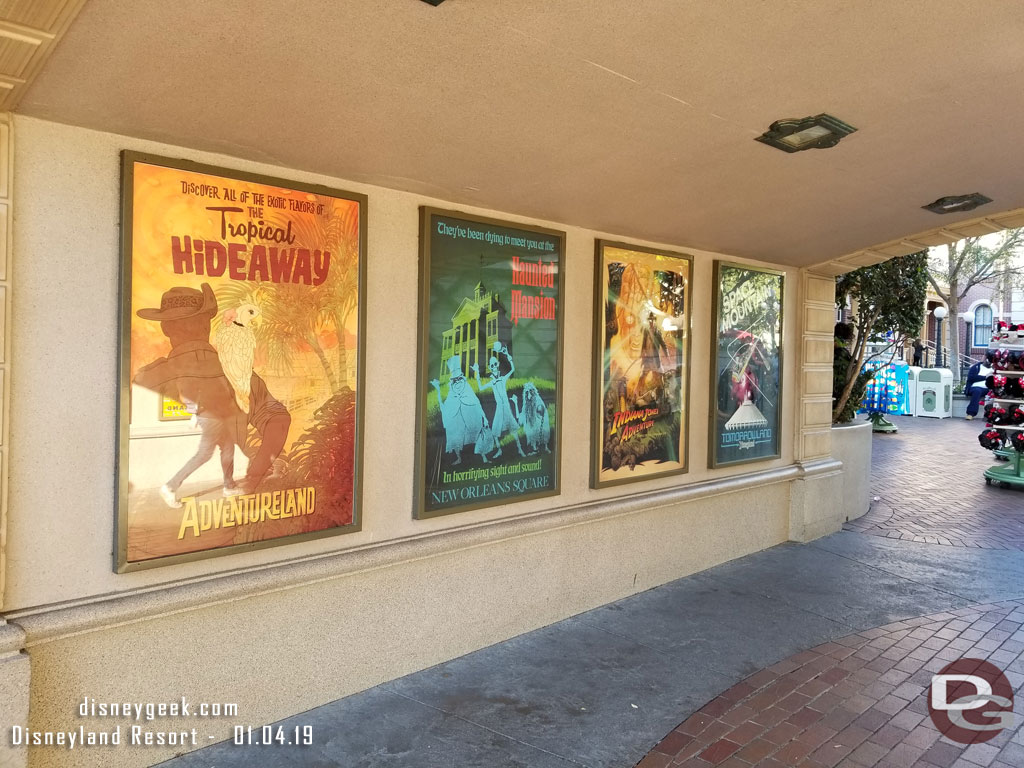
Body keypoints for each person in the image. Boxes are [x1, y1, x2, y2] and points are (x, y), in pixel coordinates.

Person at [133, 283, 246, 507]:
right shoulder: (200, 359)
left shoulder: (167, 367)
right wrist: (195, 410)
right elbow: (195, 385)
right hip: (212, 414)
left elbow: (216, 384)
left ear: (166, 328)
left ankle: (228, 485)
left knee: (227, 448)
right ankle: (170, 486)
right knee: (205, 454)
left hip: (218, 412)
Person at [473, 344, 525, 459]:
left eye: (495, 364)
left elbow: (513, 369)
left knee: (513, 429)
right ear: (490, 367)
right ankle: (499, 450)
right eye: (492, 365)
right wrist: (476, 373)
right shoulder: (492, 381)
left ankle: (520, 449)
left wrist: (507, 355)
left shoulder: (503, 378)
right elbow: (481, 388)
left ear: (498, 365)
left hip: (506, 406)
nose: (494, 366)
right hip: (499, 407)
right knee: (495, 430)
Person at [965, 352, 995, 420]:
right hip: (976, 388)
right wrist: (986, 377)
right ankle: (971, 413)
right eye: (986, 357)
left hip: (988, 388)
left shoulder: (994, 369)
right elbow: (971, 377)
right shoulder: (976, 367)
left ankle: (991, 415)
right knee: (977, 391)